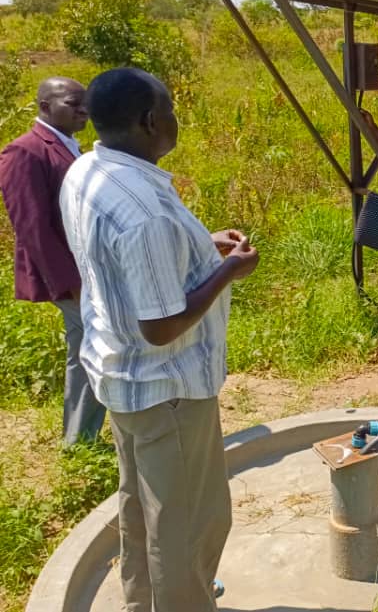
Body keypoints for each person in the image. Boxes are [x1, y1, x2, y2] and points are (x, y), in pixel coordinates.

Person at [59, 67, 260, 611]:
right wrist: (228, 272)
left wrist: (200, 244)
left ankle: (141, 604)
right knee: (190, 523)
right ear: (151, 121)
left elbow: (125, 263)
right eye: (169, 107)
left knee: (144, 509)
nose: (176, 117)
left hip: (123, 380)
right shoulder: (145, 213)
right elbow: (161, 325)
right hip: (166, 390)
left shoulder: (88, 170)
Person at [0, 76, 106, 446]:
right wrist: (70, 284)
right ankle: (80, 442)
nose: (83, 110)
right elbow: (31, 227)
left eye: (86, 103)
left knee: (87, 350)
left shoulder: (73, 146)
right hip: (72, 278)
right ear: (44, 106)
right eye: (72, 103)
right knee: (97, 348)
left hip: (88, 272)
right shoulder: (24, 151)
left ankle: (81, 440)